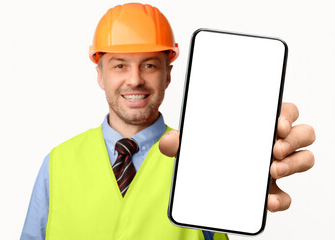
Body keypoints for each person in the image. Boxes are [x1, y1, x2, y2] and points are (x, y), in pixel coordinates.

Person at [20, 3, 316, 240]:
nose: (134, 79)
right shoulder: (57, 163)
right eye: (119, 65)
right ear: (100, 74)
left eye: (149, 65)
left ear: (168, 74)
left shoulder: (205, 156)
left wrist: (246, 179)